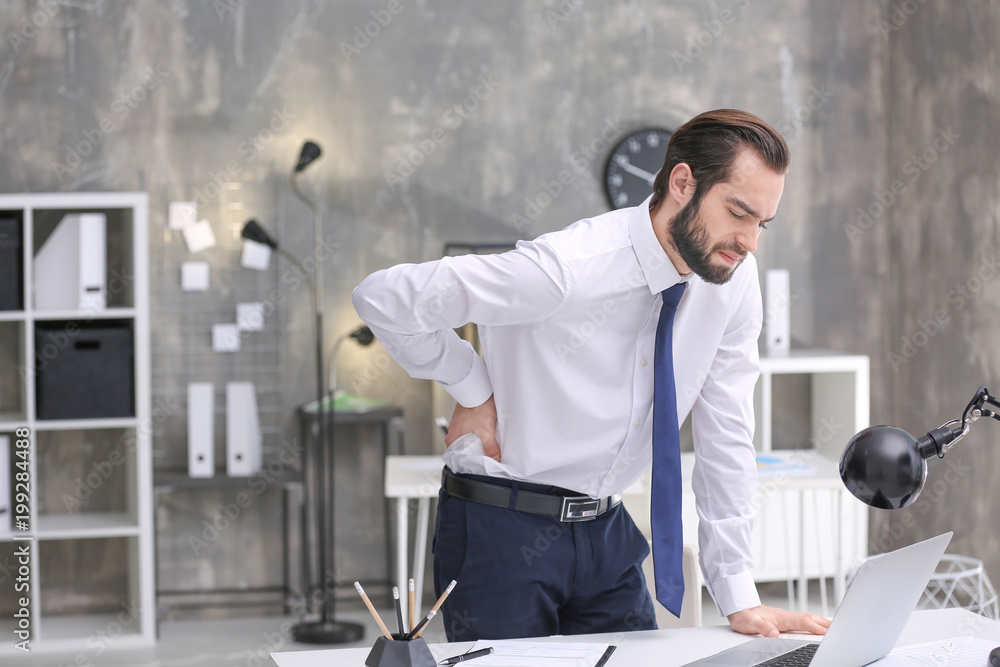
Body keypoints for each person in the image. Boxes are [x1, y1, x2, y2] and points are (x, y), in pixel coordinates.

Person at [352, 109, 832, 641]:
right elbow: (382, 298)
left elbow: (727, 433)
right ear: (682, 183)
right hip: (502, 529)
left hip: (607, 531)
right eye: (738, 213)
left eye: (761, 223)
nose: (749, 242)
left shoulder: (734, 282)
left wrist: (740, 594)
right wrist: (472, 386)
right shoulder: (567, 268)